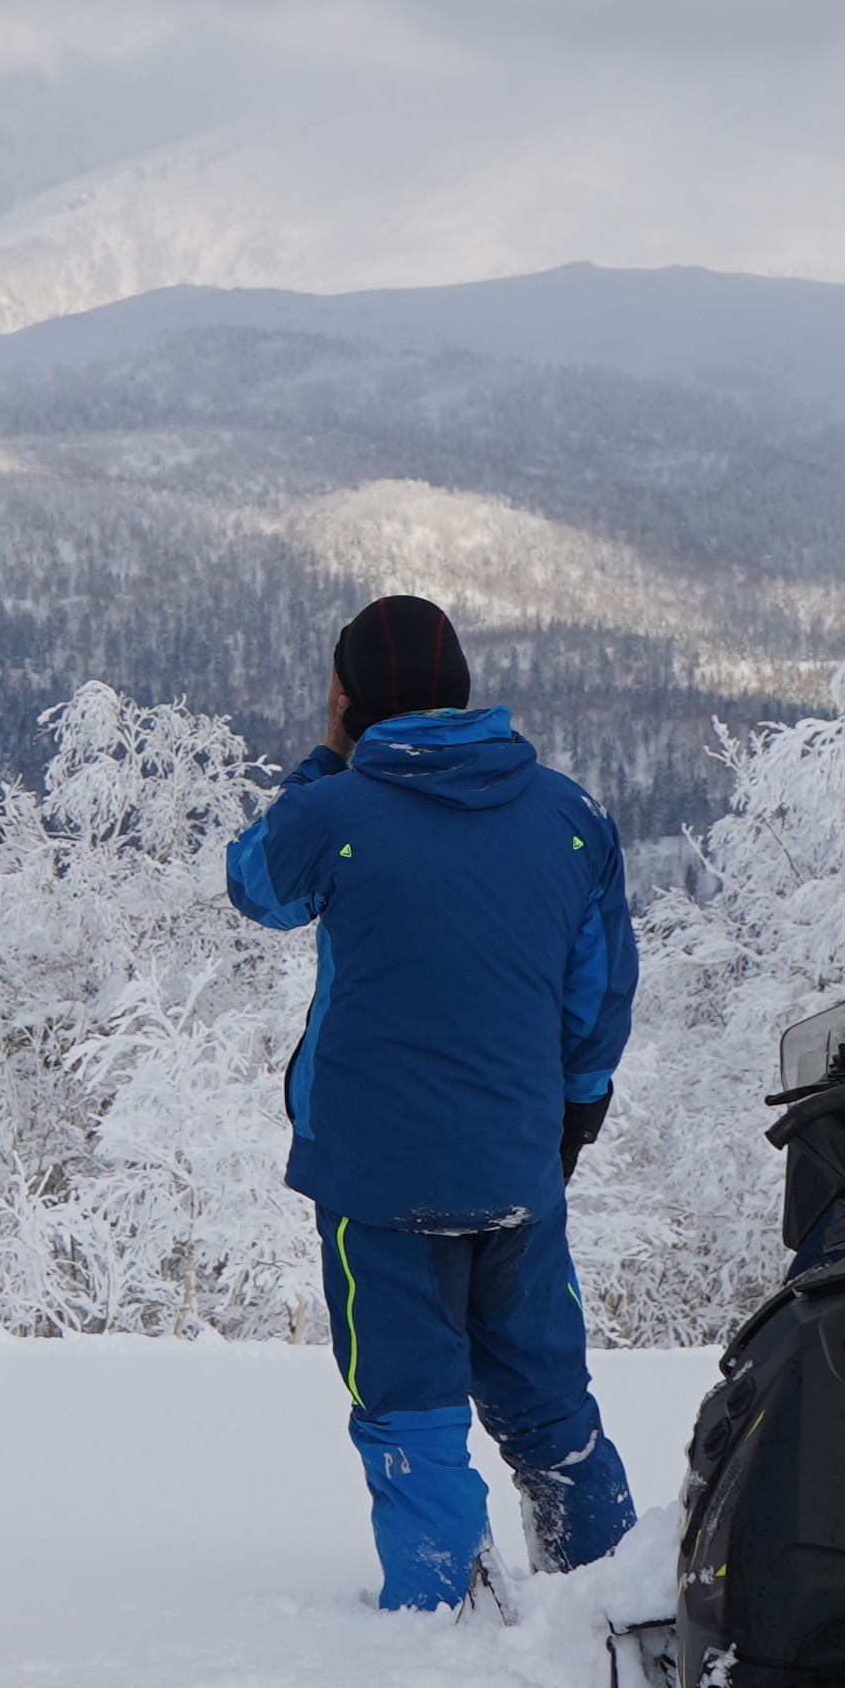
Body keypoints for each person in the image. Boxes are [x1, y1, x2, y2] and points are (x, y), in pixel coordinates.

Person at [223, 594, 641, 1610]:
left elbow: (256, 886)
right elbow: (599, 997)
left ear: (347, 698)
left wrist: (329, 758)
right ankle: (618, 1603)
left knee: (410, 1411)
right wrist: (570, 1119)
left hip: (378, 1181)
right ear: (463, 689)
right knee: (549, 1403)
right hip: (518, 1166)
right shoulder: (571, 816)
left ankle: (441, 1621)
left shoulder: (335, 813)